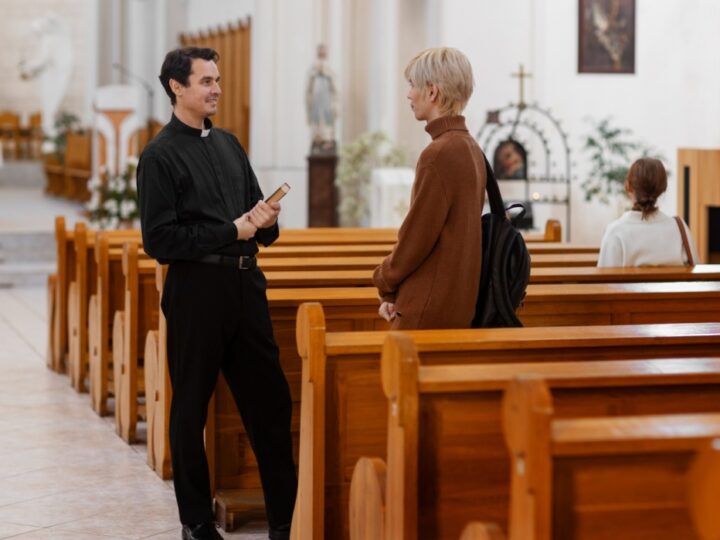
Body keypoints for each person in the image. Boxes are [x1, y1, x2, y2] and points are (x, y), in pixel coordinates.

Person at [137, 47, 296, 540]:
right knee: (190, 411)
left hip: (246, 287)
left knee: (271, 406)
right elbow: (160, 241)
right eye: (206, 81)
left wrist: (264, 221)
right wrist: (233, 229)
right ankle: (197, 523)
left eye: (218, 80)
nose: (216, 89)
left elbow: (255, 221)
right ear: (176, 87)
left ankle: (286, 520)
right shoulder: (159, 157)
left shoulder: (229, 143)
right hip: (197, 292)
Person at [372, 47, 486, 329]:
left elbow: (416, 237)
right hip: (457, 302)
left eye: (412, 85)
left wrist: (384, 280)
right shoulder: (470, 147)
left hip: (428, 308)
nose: (409, 95)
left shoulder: (439, 153)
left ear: (432, 91)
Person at [597, 157, 698, 267]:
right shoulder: (680, 228)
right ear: (664, 188)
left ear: (628, 186)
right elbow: (696, 271)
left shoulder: (615, 232)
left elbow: (604, 281)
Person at [305, 43, 338, 153]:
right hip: (316, 100)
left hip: (327, 100)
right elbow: (309, 88)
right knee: (316, 121)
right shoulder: (313, 67)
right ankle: (318, 140)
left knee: (327, 121)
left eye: (324, 50)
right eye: (320, 50)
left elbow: (335, 87)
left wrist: (325, 71)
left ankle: (327, 140)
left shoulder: (330, 67)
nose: (322, 52)